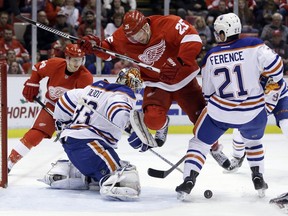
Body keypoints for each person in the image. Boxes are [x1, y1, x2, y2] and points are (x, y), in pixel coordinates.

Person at [175, 13, 284, 200]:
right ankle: (258, 178)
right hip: (253, 113)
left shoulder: (210, 56)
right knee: (253, 142)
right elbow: (276, 67)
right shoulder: (254, 44)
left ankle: (188, 180)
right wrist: (268, 81)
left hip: (221, 113)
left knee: (199, 143)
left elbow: (208, 92)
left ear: (223, 32)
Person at [78, 9, 206, 149]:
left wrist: (180, 61)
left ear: (145, 27)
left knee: (203, 122)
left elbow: (193, 38)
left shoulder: (168, 24)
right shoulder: (123, 36)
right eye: (131, 38)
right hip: (157, 83)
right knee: (152, 120)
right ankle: (163, 126)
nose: (135, 40)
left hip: (184, 79)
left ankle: (215, 148)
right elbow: (109, 52)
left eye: (137, 35)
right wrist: (95, 47)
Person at [40, 67, 146, 201]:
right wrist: (132, 129)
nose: (136, 90)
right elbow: (119, 112)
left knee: (104, 166)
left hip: (71, 142)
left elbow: (64, 100)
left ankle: (79, 174)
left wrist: (63, 124)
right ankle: (101, 176)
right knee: (125, 176)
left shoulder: (93, 87)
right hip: (91, 145)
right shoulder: (123, 93)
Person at [7, 44, 93, 172]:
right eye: (74, 59)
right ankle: (9, 162)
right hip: (52, 106)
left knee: (78, 141)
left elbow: (84, 104)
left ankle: (86, 169)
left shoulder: (85, 77)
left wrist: (71, 121)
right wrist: (33, 82)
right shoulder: (56, 64)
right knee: (36, 133)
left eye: (80, 60)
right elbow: (37, 69)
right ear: (67, 58)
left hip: (72, 113)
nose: (77, 63)